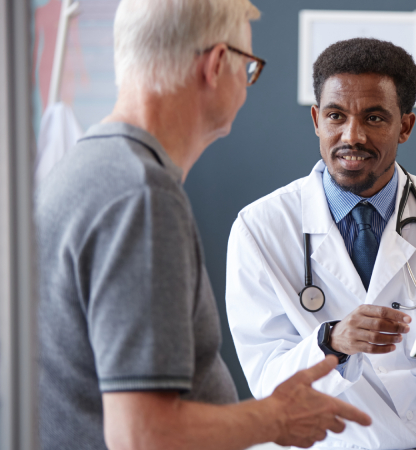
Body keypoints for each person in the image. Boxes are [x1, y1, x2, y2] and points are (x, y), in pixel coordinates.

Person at [36, 1, 370, 449]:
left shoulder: (85, 165)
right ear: (216, 64)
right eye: (248, 68)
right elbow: (143, 435)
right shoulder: (141, 196)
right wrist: (276, 419)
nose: (247, 85)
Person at [226, 38, 416, 450]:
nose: (353, 136)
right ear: (316, 119)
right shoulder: (260, 228)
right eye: (335, 116)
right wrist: (332, 342)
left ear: (405, 125)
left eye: (375, 118)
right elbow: (267, 381)